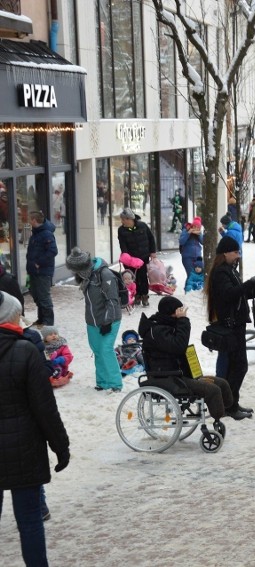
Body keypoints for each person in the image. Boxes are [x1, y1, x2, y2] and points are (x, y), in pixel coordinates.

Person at [0, 291, 70, 566]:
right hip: (24, 449)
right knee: (30, 522)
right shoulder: (26, 351)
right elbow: (45, 408)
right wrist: (61, 447)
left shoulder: (26, 349)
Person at [140, 296, 250, 421]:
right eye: (179, 310)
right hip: (169, 377)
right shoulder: (157, 331)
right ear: (171, 312)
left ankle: (228, 408)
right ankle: (218, 418)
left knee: (221, 383)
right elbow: (179, 346)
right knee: (212, 390)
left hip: (179, 374)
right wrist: (183, 321)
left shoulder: (166, 326)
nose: (182, 313)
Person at [205, 236, 255, 414]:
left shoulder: (229, 270)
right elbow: (228, 295)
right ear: (225, 253)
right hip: (230, 326)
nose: (238, 255)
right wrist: (248, 284)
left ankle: (230, 403)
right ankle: (228, 405)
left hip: (235, 325)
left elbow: (236, 296)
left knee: (235, 366)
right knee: (237, 366)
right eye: (235, 252)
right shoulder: (221, 272)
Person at [65, 247, 124, 391]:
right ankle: (102, 383)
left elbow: (112, 301)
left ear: (84, 266)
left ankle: (116, 383)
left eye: (76, 270)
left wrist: (107, 322)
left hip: (109, 319)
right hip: (92, 321)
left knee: (106, 349)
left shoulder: (104, 275)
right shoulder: (86, 277)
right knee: (97, 350)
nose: (75, 273)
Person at [117, 208, 157, 307]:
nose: (122, 222)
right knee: (131, 278)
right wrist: (126, 256)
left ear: (129, 219)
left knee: (142, 277)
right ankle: (135, 295)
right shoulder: (121, 230)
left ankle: (144, 295)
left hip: (143, 257)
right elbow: (122, 245)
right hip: (130, 259)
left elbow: (151, 238)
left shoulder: (142, 226)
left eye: (123, 219)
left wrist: (153, 252)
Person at [26, 211, 58, 327]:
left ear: (34, 220)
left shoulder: (46, 234)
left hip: (42, 272)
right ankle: (41, 319)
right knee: (36, 294)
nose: (29, 221)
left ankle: (48, 322)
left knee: (44, 297)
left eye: (30, 219)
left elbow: (53, 251)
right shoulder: (36, 233)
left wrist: (39, 263)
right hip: (33, 271)